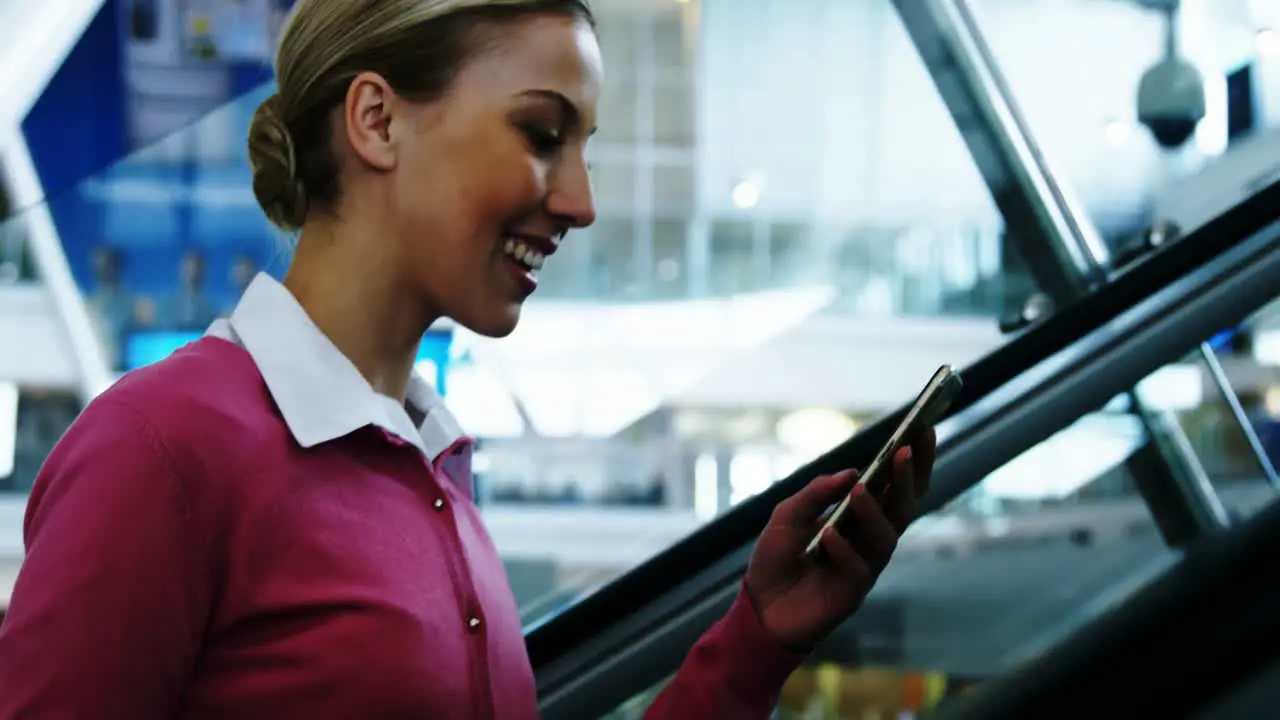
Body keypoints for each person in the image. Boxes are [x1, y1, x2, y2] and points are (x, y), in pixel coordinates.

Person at [0, 1, 936, 718]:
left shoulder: (431, 472)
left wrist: (756, 640)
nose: (579, 201)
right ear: (376, 121)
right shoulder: (162, 451)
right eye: (541, 135)